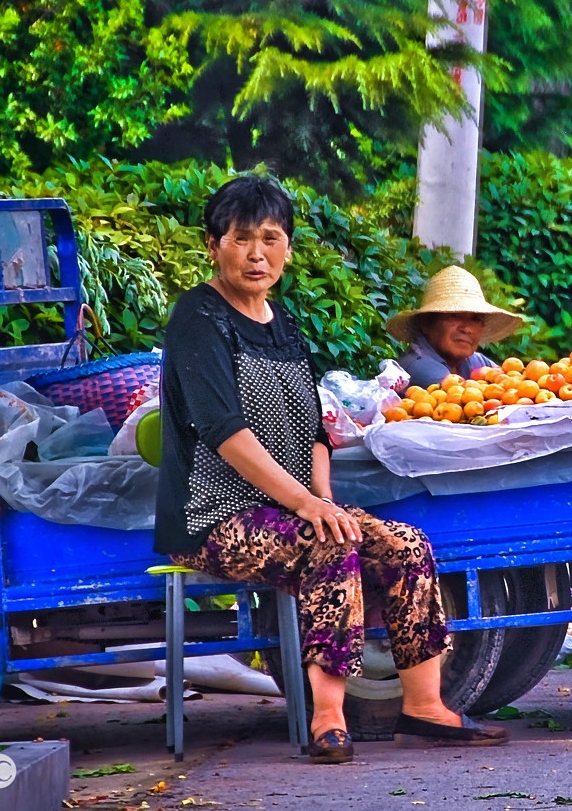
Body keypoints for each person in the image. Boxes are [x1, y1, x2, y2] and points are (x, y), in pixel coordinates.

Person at [152, 175, 508, 763]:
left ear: (288, 249)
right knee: (327, 547)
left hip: (292, 504)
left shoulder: (283, 323)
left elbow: (314, 425)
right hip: (214, 515)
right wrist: (308, 507)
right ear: (214, 245)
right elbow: (225, 433)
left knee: (406, 545)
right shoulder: (198, 317)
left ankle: (424, 707)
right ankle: (328, 720)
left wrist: (326, 499)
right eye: (241, 239)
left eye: (271, 238)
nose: (257, 253)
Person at [387, 266, 523, 387]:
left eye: (475, 319)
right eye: (454, 316)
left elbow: (513, 384)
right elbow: (464, 400)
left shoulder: (474, 361)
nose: (467, 329)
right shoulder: (420, 367)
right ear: (426, 323)